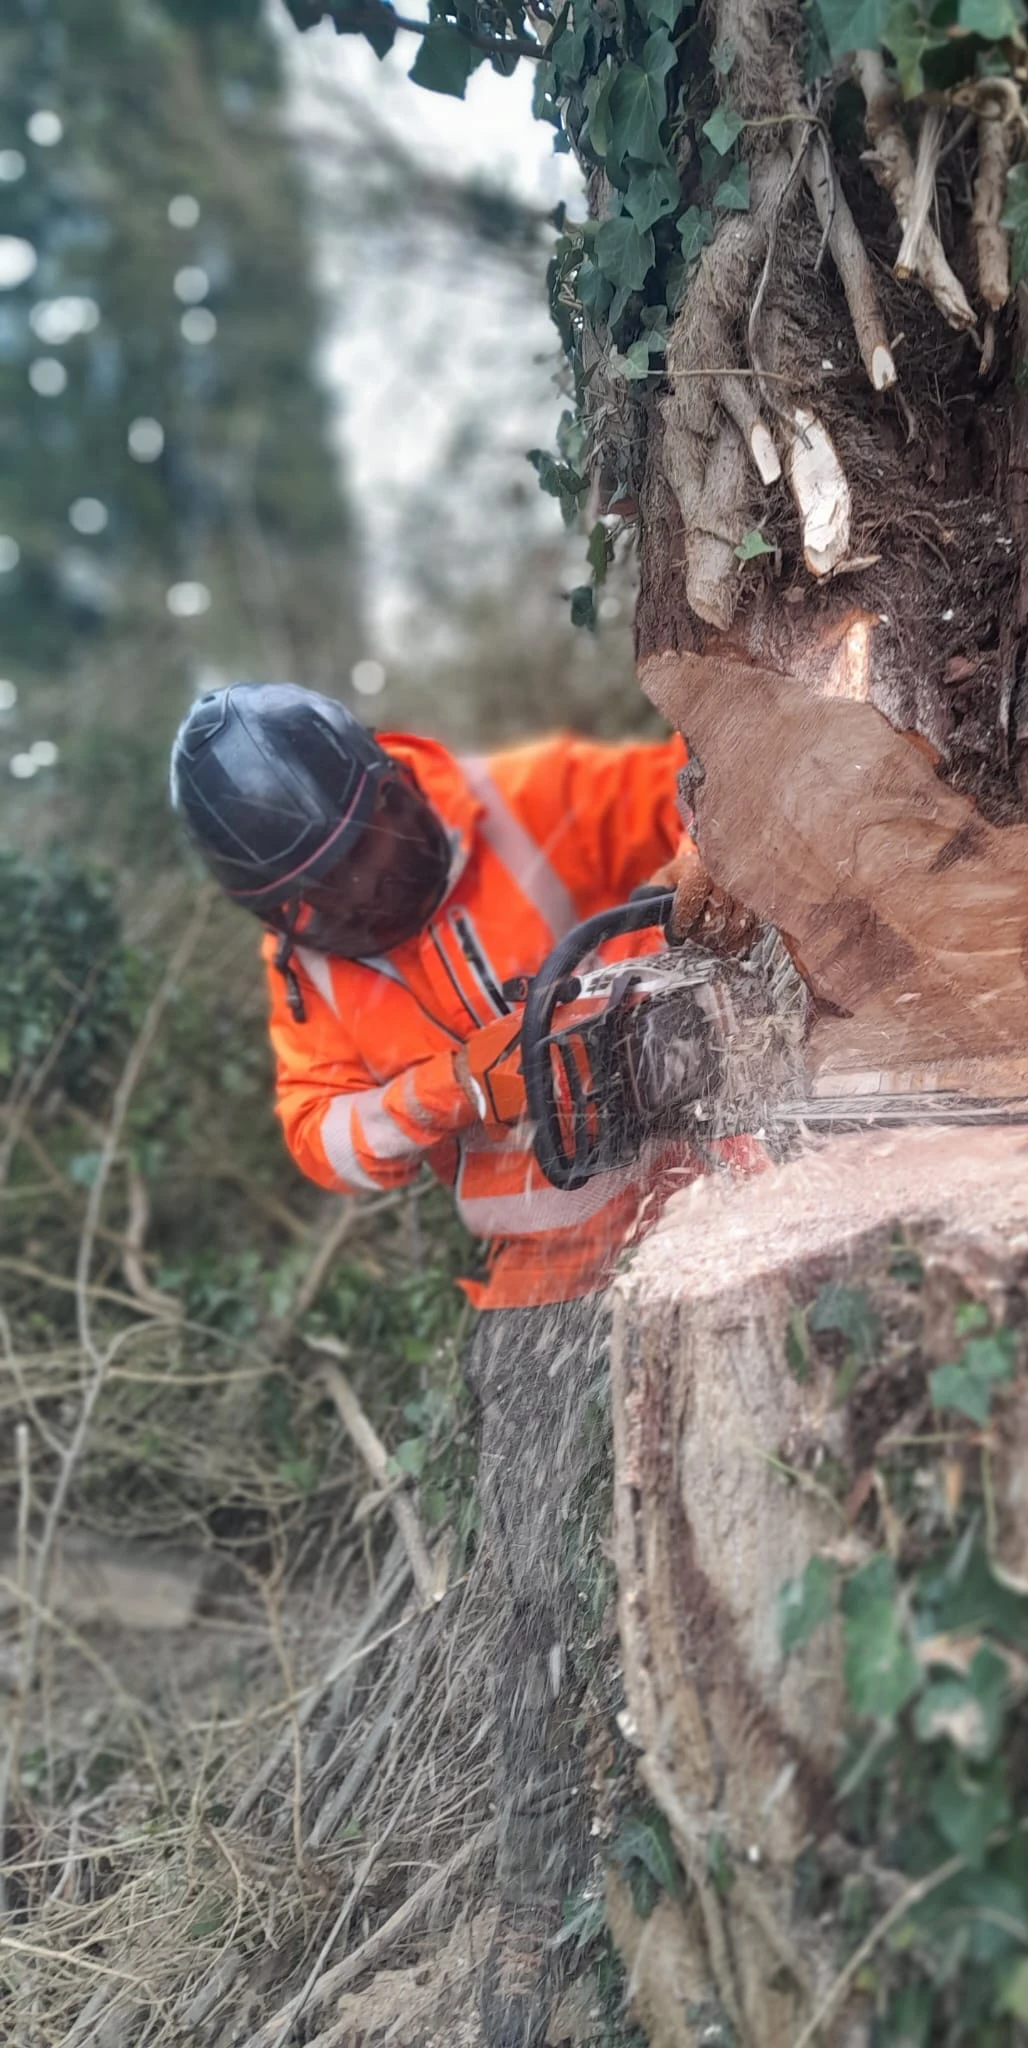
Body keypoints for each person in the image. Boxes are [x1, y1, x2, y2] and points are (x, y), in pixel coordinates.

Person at [169, 680, 758, 2044]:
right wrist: (457, 1086)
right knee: (536, 1599)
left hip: (705, 1206)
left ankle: (732, 1820)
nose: (369, 889)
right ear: (281, 914)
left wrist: (700, 873)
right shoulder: (308, 977)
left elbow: (717, 770)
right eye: (327, 894)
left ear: (391, 784)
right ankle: (534, 1894)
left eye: (371, 846)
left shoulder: (529, 800)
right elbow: (323, 1139)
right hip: (536, 1286)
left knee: (728, 1525)